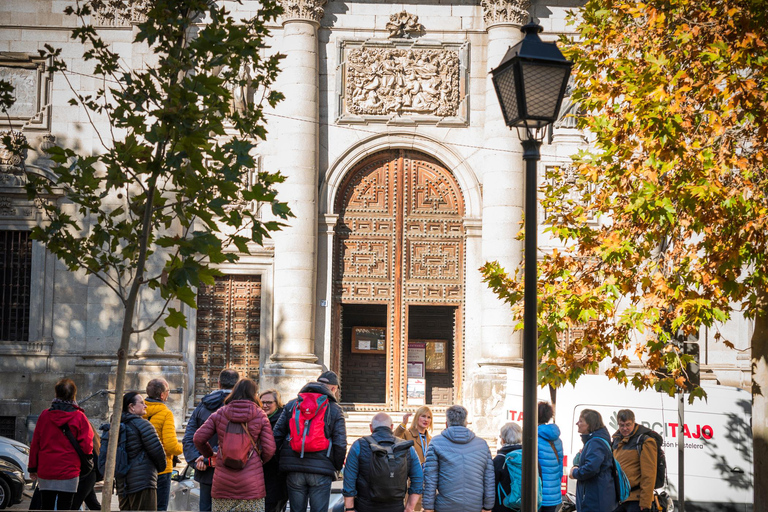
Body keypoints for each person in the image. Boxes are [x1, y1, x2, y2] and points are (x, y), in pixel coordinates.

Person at [194, 378, 276, 512]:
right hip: (251, 485)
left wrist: (210, 455)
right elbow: (270, 449)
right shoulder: (260, 415)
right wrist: (258, 461)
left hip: (223, 484)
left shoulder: (220, 413)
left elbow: (198, 438)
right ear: (254, 394)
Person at [272, 371, 347, 512]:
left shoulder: (292, 405)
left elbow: (276, 435)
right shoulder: (335, 409)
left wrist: (281, 461)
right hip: (321, 470)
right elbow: (340, 443)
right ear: (333, 389)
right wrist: (335, 466)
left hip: (294, 469)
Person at [28, 378, 94, 511]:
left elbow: (35, 443)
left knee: (46, 506)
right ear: (74, 394)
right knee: (65, 507)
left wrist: (32, 468)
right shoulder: (80, 417)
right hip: (69, 471)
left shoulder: (44, 415)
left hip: (46, 470)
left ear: (56, 394)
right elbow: (87, 446)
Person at [183, 368, 240, 512]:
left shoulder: (202, 406)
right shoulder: (245, 407)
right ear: (238, 384)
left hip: (207, 472)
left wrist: (198, 460)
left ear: (219, 383)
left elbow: (189, 437)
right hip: (235, 470)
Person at [342, 412, 423, 512]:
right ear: (392, 427)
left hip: (365, 506)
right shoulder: (407, 448)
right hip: (396, 507)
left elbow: (349, 478)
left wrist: (349, 508)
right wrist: (410, 507)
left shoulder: (359, 445)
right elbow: (418, 477)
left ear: (371, 428)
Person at [422, 405, 494, 512]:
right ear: (466, 423)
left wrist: (428, 507)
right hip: (474, 506)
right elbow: (489, 478)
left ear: (446, 423)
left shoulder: (436, 443)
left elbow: (430, 478)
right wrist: (488, 506)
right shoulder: (482, 444)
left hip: (445, 506)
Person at [114, 391, 168, 510]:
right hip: (142, 482)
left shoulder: (115, 425)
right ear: (131, 407)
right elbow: (158, 453)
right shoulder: (143, 424)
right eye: (142, 403)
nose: (146, 406)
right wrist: (159, 469)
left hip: (122, 483)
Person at [144, 378, 184, 511]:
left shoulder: (138, 409)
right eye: (168, 391)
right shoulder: (165, 413)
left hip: (140, 467)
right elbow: (171, 446)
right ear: (162, 395)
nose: (169, 393)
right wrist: (184, 447)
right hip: (161, 468)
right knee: (160, 507)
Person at [569, 409, 617, 512]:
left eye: (581, 421)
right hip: (596, 497)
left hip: (595, 499)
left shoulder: (595, 442)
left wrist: (575, 472)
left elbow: (591, 468)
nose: (577, 423)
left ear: (590, 424)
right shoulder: (594, 441)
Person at [611, 409, 658, 512]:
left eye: (628, 424)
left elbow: (649, 474)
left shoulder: (644, 441)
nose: (625, 428)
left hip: (636, 500)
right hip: (620, 498)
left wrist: (645, 502)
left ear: (634, 422)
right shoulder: (616, 440)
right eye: (621, 425)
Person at [394, 406, 432, 511]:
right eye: (423, 416)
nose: (426, 420)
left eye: (429, 417)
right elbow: (394, 439)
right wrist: (403, 424)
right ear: (417, 418)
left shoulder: (431, 439)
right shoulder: (407, 434)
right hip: (412, 479)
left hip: (428, 480)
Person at [260, 389, 287, 512]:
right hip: (260, 471)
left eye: (269, 402)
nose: (265, 405)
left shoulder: (283, 419)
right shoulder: (256, 418)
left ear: (277, 403)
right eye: (262, 402)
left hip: (276, 471)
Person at [538, 402, 564, 512]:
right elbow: (560, 466)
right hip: (553, 494)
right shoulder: (557, 440)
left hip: (538, 493)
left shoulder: (533, 438)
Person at [492, 422, 522, 512]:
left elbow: (492, 487)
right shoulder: (530, 458)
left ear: (503, 440)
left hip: (503, 507)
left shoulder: (498, 460)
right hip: (527, 505)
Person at [71, 423, 102, 510]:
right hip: (90, 476)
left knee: (74, 505)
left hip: (86, 476)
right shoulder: (96, 442)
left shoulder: (87, 443)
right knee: (93, 504)